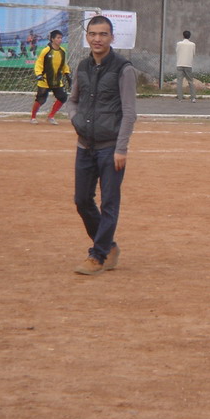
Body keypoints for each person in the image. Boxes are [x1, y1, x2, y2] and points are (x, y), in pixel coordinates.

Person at [68, 15, 137, 276]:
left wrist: (121, 148)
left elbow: (129, 112)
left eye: (103, 34)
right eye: (93, 34)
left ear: (112, 37)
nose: (97, 39)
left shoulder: (123, 69)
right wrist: (75, 120)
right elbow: (73, 100)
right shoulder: (82, 67)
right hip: (85, 145)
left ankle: (97, 255)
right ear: (87, 36)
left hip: (110, 148)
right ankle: (108, 246)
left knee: (109, 202)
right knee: (82, 200)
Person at [30, 30, 71, 125]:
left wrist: (67, 74)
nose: (60, 40)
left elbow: (64, 64)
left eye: (61, 38)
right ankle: (33, 117)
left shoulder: (63, 51)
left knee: (63, 97)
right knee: (41, 100)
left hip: (57, 80)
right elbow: (39, 63)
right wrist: (39, 74)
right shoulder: (46, 50)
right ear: (52, 39)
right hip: (45, 80)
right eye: (58, 38)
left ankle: (51, 116)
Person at [175, 30, 197, 103]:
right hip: (188, 64)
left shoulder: (179, 44)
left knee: (179, 82)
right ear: (189, 36)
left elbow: (177, 51)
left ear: (183, 36)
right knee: (190, 81)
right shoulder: (192, 44)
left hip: (180, 64)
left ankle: (180, 98)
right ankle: (193, 98)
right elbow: (193, 54)